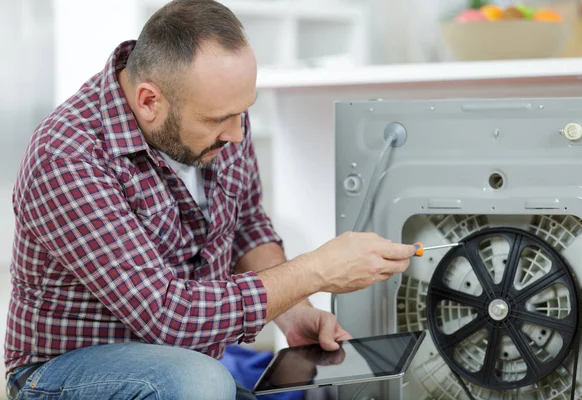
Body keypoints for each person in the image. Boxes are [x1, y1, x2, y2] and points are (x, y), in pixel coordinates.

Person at [3, 0, 416, 399]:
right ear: (150, 101)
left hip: (188, 365)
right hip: (63, 374)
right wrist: (316, 270)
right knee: (200, 382)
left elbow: (247, 226)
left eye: (243, 112)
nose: (237, 134)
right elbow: (168, 316)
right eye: (219, 119)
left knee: (207, 379)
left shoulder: (222, 110)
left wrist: (294, 310)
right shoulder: (67, 157)